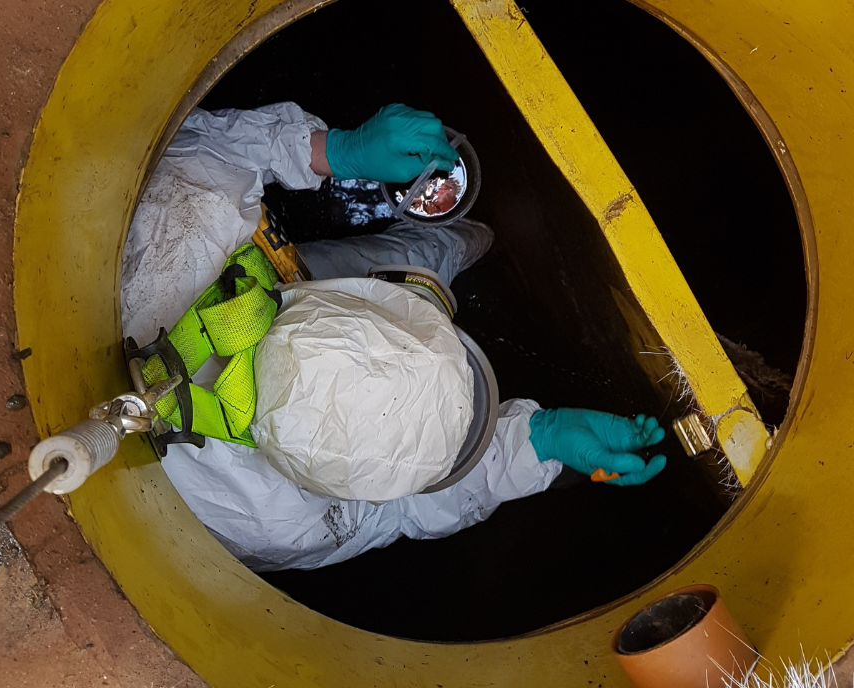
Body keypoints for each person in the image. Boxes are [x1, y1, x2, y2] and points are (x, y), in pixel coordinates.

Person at [121, 101, 667, 571]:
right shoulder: (285, 524)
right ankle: (459, 242)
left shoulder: (176, 239)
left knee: (409, 257)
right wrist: (537, 444)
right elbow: (404, 507)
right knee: (409, 259)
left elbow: (184, 145)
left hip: (237, 289)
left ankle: (457, 241)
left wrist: (333, 151)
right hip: (261, 297)